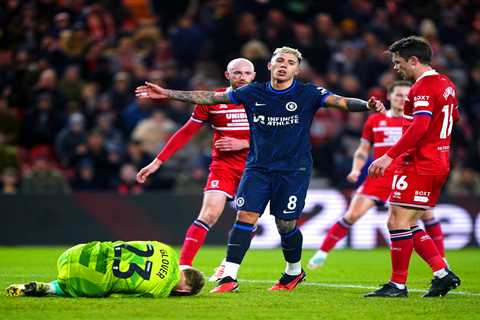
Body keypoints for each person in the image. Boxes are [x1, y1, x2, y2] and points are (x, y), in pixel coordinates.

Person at [135, 46, 385, 293]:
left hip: (293, 170)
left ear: (297, 70)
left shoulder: (308, 93)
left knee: (285, 225)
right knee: (245, 216)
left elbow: (340, 102)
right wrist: (167, 93)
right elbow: (211, 97)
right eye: (279, 61)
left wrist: (366, 105)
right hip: (257, 168)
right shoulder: (253, 93)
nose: (284, 65)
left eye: (290, 62)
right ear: (270, 66)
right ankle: (229, 277)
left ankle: (293, 271)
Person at [308, 81, 447, 269]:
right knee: (351, 215)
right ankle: (321, 253)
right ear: (389, 96)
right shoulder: (375, 120)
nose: (402, 99)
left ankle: (442, 261)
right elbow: (362, 150)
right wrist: (356, 169)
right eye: (398, 95)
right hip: (379, 178)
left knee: (427, 216)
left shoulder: (417, 121)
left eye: (406, 96)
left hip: (407, 176)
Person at [136, 58, 255, 272]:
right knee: (209, 214)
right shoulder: (213, 100)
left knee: (248, 219)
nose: (242, 77)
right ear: (228, 75)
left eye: (247, 73)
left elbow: (280, 135)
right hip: (224, 166)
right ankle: (184, 268)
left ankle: (227, 266)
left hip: (257, 167)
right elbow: (185, 133)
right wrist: (157, 162)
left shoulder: (264, 100)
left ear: (254, 76)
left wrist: (244, 142)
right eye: (237, 73)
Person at [365, 36, 461, 298]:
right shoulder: (446, 85)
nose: (397, 69)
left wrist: (389, 157)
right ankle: (442, 273)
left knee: (397, 222)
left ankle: (397, 285)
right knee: (405, 222)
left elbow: (420, 126)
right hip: (436, 161)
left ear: (414, 61)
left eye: (398, 63)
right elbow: (453, 119)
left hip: (420, 163)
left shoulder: (422, 88)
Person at [6, 240, 205, 298]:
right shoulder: (159, 291)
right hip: (90, 279)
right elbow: (118, 296)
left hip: (76, 251)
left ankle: (44, 286)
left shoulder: (166, 249)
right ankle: (49, 288)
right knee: (99, 286)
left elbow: (129, 243)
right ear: (184, 291)